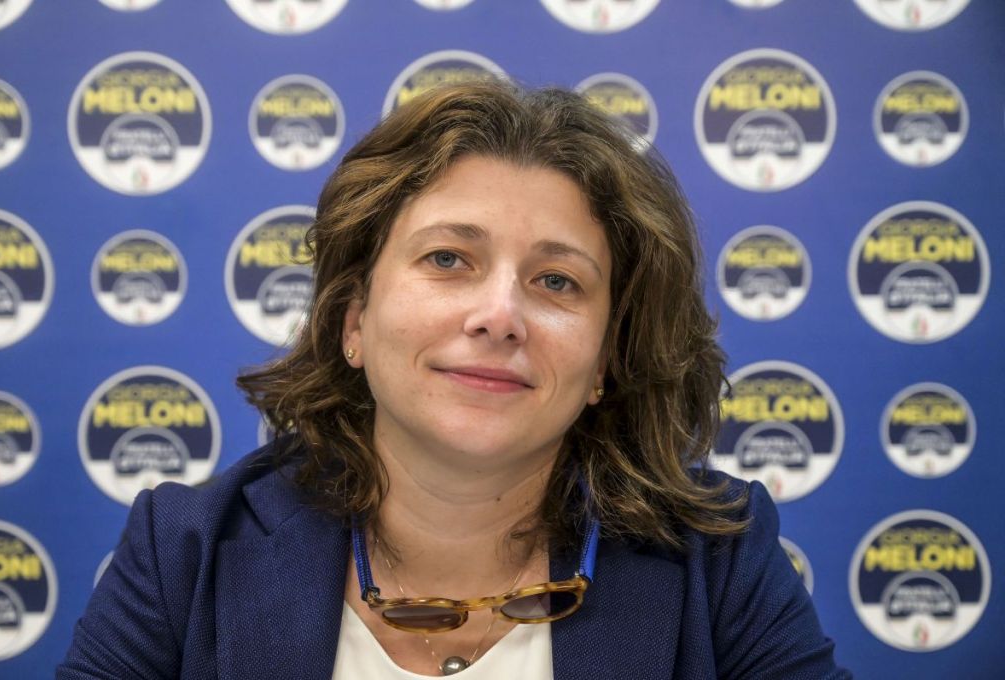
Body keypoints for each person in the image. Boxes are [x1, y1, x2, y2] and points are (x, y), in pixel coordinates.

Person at [58, 81, 850, 679]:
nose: (500, 315)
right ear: (353, 320)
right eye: (448, 259)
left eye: (557, 281)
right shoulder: (185, 550)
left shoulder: (717, 560)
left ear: (605, 361)